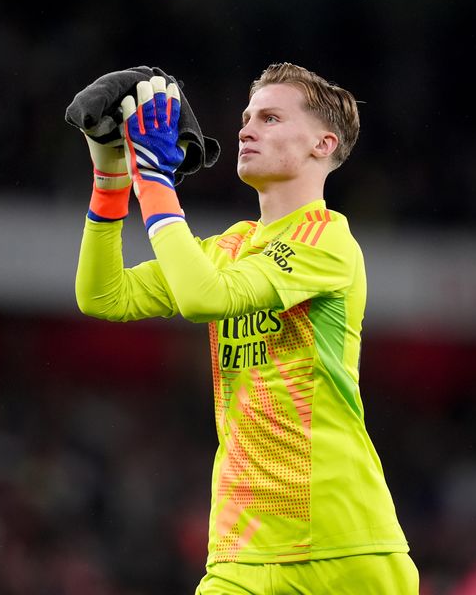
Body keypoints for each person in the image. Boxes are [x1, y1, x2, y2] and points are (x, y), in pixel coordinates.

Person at [72, 63, 418, 594]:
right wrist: (113, 175)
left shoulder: (329, 241)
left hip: (346, 549)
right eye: (247, 117)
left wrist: (156, 181)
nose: (246, 129)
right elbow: (102, 295)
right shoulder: (227, 247)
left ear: (322, 144)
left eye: (271, 117)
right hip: (242, 553)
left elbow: (204, 298)